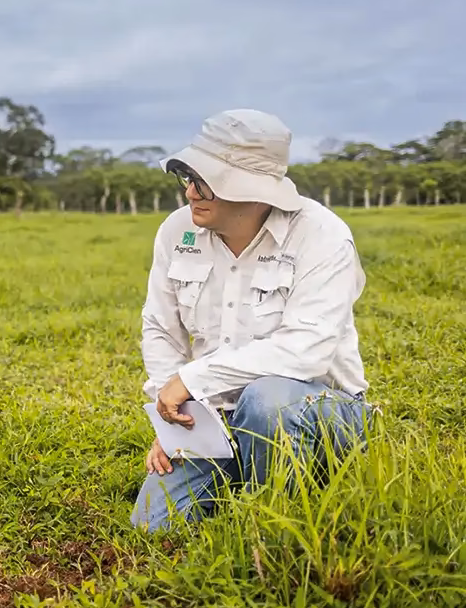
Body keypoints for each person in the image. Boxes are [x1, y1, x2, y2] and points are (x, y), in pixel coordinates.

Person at [130, 108, 376, 533]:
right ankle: (244, 466)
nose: (190, 192)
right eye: (187, 176)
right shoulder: (176, 232)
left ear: (254, 191)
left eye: (203, 180)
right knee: (155, 526)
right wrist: (174, 416)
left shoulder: (321, 235)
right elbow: (160, 328)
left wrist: (193, 379)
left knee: (267, 402)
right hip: (215, 415)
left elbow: (306, 352)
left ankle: (280, 520)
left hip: (316, 409)